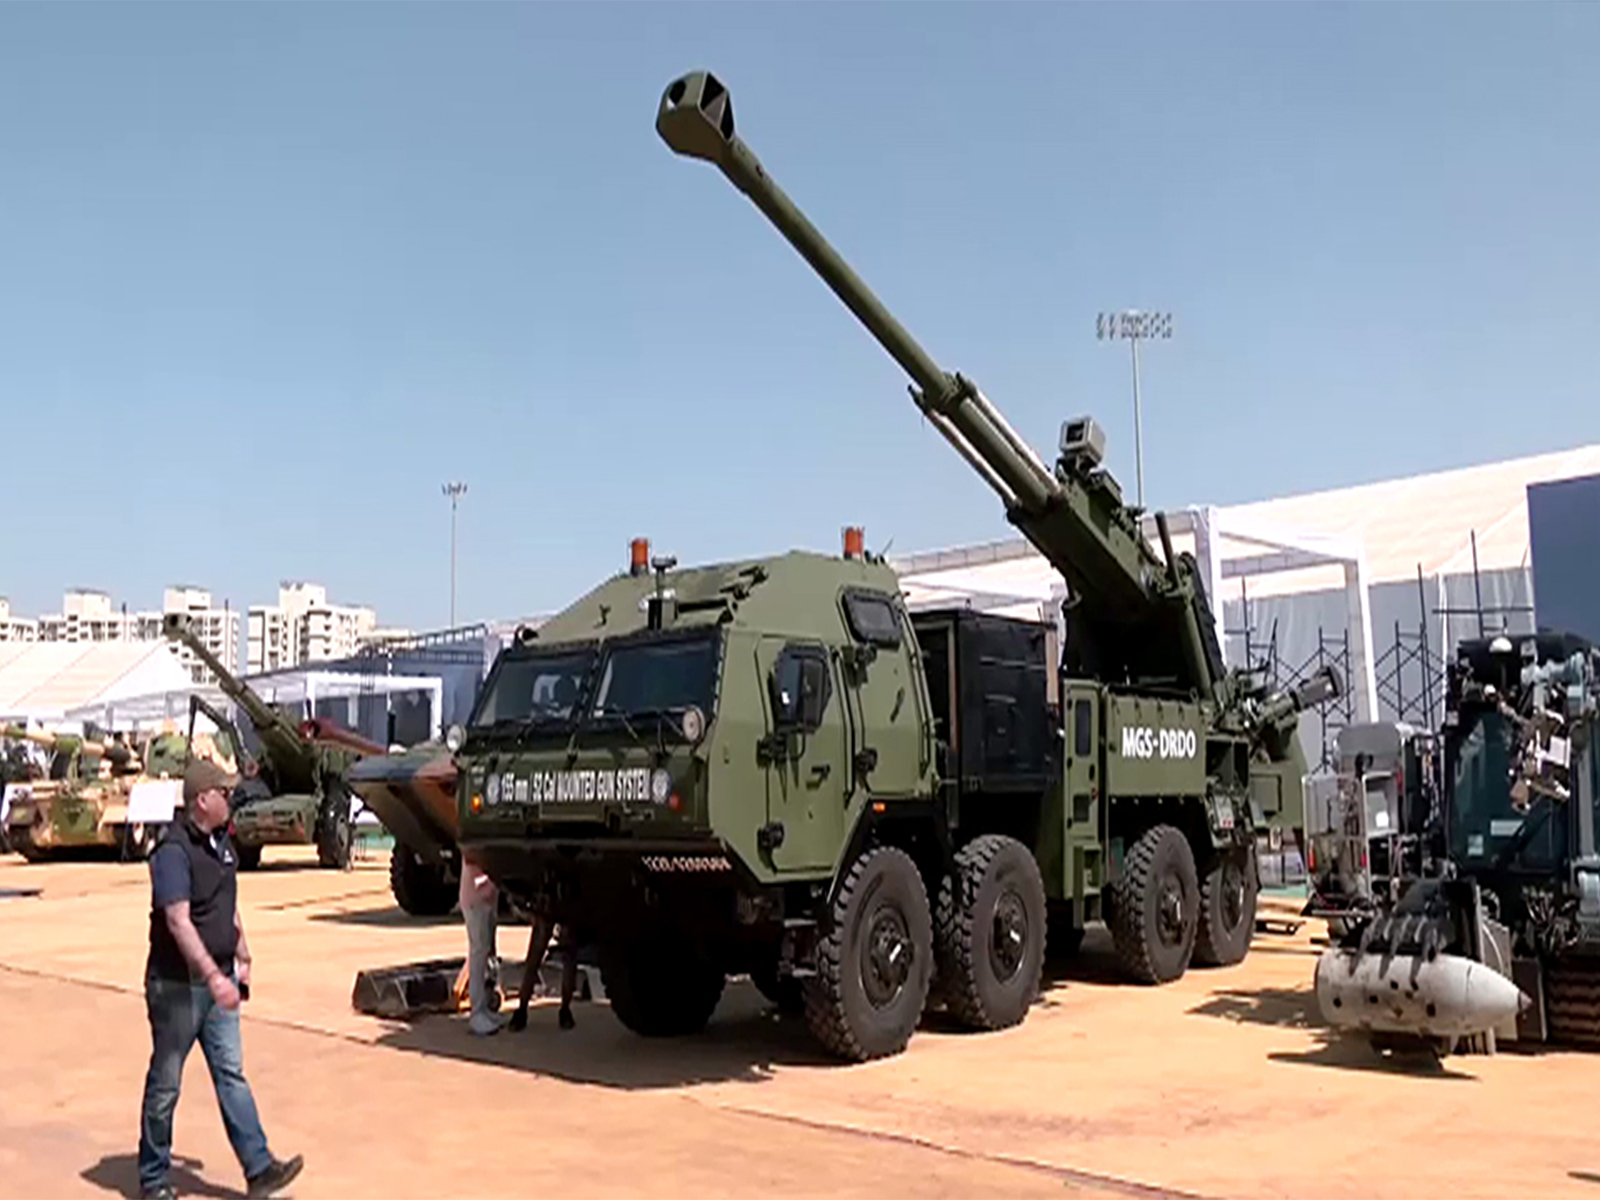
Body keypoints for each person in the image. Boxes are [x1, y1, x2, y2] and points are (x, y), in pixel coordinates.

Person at [138, 758, 302, 1200]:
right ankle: (153, 1179)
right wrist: (213, 976)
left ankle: (260, 1169)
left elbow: (226, 903)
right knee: (166, 1083)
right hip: (178, 988)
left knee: (231, 1074)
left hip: (221, 981)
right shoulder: (173, 852)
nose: (231, 798)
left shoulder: (221, 842)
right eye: (223, 792)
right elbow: (178, 920)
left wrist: (242, 950)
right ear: (201, 800)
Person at [507, 913, 580, 1032]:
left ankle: (523, 1008)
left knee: (538, 956)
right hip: (556, 909)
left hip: (555, 909)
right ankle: (564, 1009)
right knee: (562, 956)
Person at [459, 849, 504, 1036]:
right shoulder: (473, 845)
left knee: (485, 954)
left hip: (486, 898)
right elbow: (472, 857)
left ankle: (484, 1008)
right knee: (477, 955)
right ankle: (476, 1012)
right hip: (475, 899)